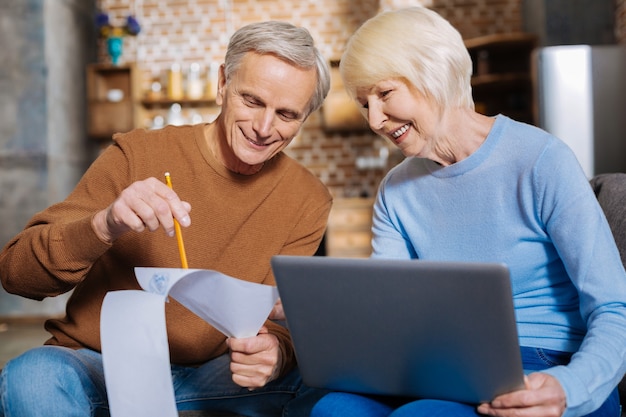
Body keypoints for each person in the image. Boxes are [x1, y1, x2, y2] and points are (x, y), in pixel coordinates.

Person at [0, 20, 332, 417]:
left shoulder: (308, 199)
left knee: (329, 383)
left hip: (211, 377)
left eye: (287, 114)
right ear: (222, 83)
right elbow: (16, 274)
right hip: (101, 365)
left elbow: (278, 316)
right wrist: (104, 225)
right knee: (31, 377)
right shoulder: (137, 154)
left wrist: (276, 353)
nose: (264, 128)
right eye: (253, 101)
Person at [311, 6, 626, 417]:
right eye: (363, 103)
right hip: (444, 365)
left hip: (546, 363)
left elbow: (614, 306)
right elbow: (392, 316)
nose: (374, 119)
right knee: (333, 410)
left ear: (433, 72)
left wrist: (571, 388)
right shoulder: (396, 190)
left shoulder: (540, 160)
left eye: (385, 94)